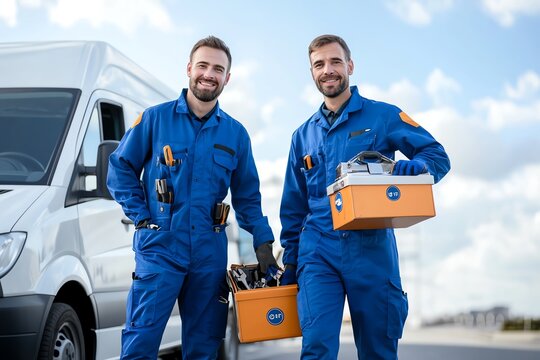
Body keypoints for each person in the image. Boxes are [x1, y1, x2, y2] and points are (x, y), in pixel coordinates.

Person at [279, 34, 450, 359]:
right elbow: (293, 205)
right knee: (315, 347)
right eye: (319, 64)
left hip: (371, 250)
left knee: (378, 351)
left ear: (350, 66)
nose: (327, 70)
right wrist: (290, 259)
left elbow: (437, 154)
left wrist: (420, 166)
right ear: (312, 72)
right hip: (318, 253)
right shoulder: (302, 136)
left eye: (334, 62)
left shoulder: (382, 116)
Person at [107, 36, 278, 359]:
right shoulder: (155, 120)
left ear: (227, 78)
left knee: (203, 347)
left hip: (208, 255)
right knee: (140, 342)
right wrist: (143, 217)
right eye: (203, 65)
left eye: (218, 69)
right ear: (189, 69)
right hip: (159, 248)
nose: (209, 74)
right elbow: (119, 168)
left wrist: (263, 243)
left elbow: (248, 198)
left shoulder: (235, 134)